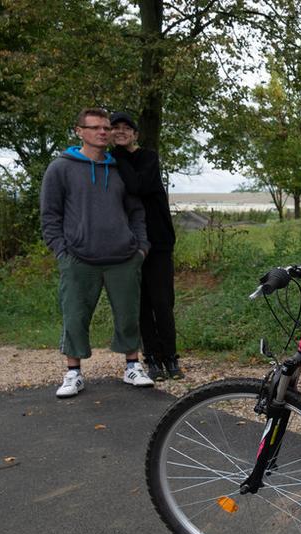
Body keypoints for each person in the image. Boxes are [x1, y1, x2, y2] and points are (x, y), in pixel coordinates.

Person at [40, 108, 155, 398]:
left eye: (106, 127)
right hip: (79, 258)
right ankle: (73, 373)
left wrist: (141, 248)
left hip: (123, 258)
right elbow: (50, 215)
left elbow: (136, 211)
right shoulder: (61, 168)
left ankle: (132, 366)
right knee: (75, 316)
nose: (103, 132)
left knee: (128, 316)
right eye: (95, 128)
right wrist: (61, 252)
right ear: (79, 131)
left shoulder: (120, 168)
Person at [110, 111, 183, 381]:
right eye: (115, 127)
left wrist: (119, 155)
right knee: (140, 303)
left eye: (126, 128)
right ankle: (151, 357)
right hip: (128, 241)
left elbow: (137, 185)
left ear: (135, 134)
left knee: (162, 301)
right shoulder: (110, 161)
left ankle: (170, 357)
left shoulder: (148, 157)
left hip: (159, 240)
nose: (120, 131)